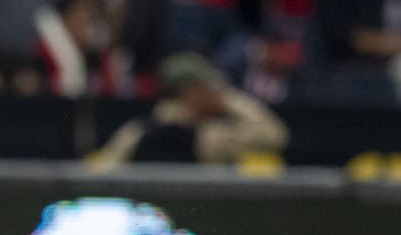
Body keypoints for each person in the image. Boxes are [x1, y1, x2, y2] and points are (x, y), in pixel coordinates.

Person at [95, 52, 288, 166]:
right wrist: (229, 99)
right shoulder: (207, 137)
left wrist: (222, 100)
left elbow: (275, 136)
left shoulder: (139, 130)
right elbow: (275, 134)